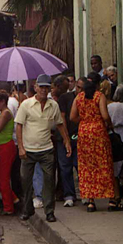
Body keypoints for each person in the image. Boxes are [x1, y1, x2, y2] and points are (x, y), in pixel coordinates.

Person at [16, 74, 71, 223]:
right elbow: (19, 126)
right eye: (41, 87)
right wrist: (20, 147)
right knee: (26, 181)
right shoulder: (26, 104)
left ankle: (49, 211)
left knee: (49, 180)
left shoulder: (53, 105)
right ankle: (27, 209)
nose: (44, 90)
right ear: (35, 88)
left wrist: (67, 141)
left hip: (46, 149)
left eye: (47, 87)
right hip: (28, 150)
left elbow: (59, 124)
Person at [70, 72, 115, 212]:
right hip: (98, 132)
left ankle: (90, 201)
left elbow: (72, 117)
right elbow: (105, 115)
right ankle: (111, 199)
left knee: (87, 166)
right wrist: (108, 124)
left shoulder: (78, 97)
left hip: (84, 133)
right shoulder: (99, 96)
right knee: (104, 163)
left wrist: (84, 122)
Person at [54, 75, 79, 207]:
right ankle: (69, 194)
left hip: (78, 136)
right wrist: (66, 137)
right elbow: (62, 118)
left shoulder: (85, 99)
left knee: (78, 165)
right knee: (65, 167)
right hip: (65, 137)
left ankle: (84, 193)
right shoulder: (65, 98)